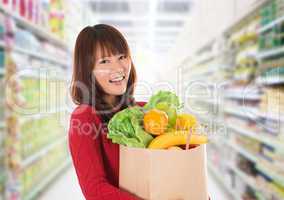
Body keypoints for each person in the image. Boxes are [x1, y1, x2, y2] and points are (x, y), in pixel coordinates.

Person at [68, 24, 142, 200]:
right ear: (88, 70)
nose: (118, 68)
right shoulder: (84, 117)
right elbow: (95, 191)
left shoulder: (142, 110)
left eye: (122, 57)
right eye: (104, 61)